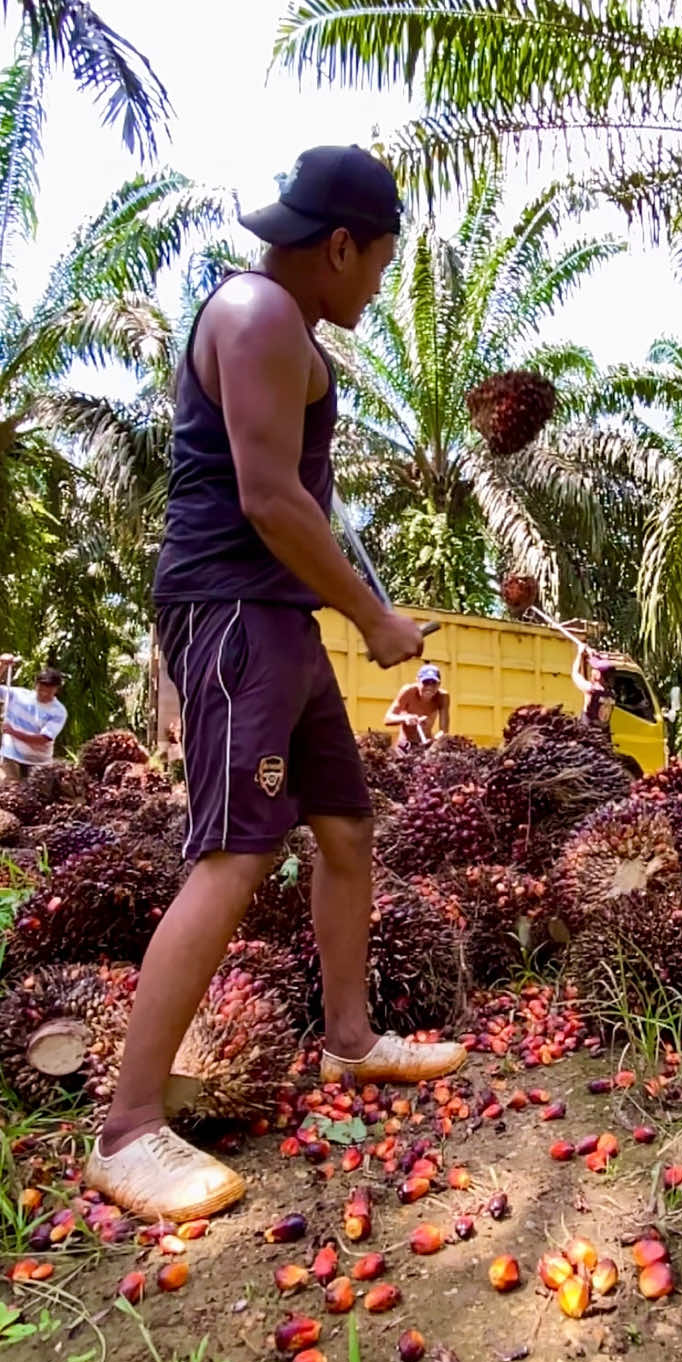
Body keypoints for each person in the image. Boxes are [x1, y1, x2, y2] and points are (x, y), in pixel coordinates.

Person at [85, 146, 466, 1224]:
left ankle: (348, 1041)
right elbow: (266, 497)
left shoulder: (288, 330)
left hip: (279, 622)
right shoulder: (255, 314)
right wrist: (373, 616)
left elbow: (297, 499)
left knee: (345, 825)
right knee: (234, 851)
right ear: (340, 246)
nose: (380, 286)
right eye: (380, 262)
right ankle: (125, 1130)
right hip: (234, 617)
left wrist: (338, 605)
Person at [0, 658, 67, 778]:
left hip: (38, 763)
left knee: (36, 795)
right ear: (36, 685)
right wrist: (3, 666)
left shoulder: (59, 712)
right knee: (10, 793)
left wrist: (13, 732)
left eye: (49, 692)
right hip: (11, 756)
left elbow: (43, 738)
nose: (44, 694)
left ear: (56, 689)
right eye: (41, 690)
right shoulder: (18, 696)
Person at [385, 663, 450, 752]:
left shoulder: (442, 697)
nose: (429, 687)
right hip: (404, 747)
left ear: (439, 684)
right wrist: (405, 718)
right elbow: (387, 718)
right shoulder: (408, 692)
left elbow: (444, 731)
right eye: (425, 682)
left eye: (434, 683)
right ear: (417, 681)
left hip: (427, 747)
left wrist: (434, 741)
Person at [572, 645, 615, 727]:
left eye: (593, 669)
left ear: (598, 675)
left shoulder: (591, 690)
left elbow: (575, 673)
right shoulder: (611, 694)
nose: (591, 671)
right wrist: (593, 655)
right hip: (602, 736)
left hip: (589, 734)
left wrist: (579, 653)